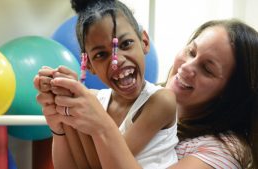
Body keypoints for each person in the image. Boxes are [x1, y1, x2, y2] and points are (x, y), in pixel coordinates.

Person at [36, 18, 258, 168]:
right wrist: (61, 125)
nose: (187, 67)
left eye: (207, 69)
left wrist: (98, 125)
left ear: (231, 93)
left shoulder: (226, 148)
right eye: (191, 51)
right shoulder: (135, 101)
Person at [34, 0, 178, 168]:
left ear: (144, 42)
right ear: (88, 65)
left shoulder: (161, 100)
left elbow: (101, 165)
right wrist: (60, 118)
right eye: (101, 54)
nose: (117, 62)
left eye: (125, 44)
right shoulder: (92, 100)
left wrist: (75, 103)